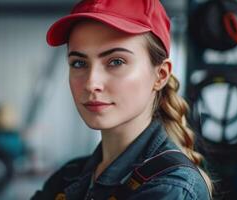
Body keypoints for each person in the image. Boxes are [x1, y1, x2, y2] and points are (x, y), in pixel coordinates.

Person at [32, 0, 213, 199]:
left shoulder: (171, 188)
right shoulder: (69, 176)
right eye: (79, 63)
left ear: (160, 75)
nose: (92, 83)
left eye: (116, 61)